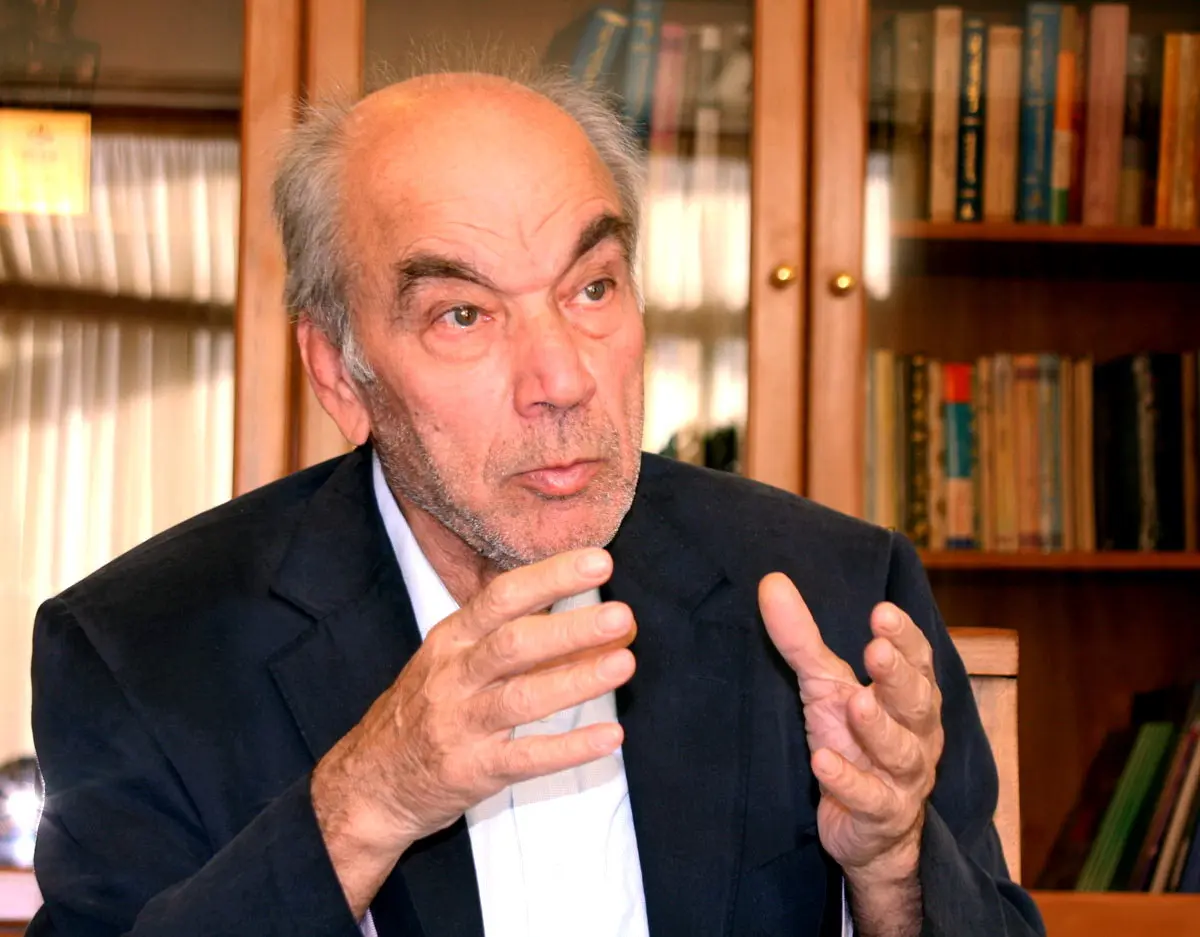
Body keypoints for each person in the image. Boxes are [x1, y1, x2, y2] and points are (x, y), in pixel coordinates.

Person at [26, 63, 1045, 937]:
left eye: (591, 288)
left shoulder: (839, 596)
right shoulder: (146, 650)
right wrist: (362, 804)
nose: (561, 377)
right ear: (339, 372)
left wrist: (891, 873)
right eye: (463, 314)